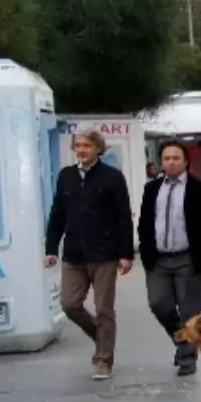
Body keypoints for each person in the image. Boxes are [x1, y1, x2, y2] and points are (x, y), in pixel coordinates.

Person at [44, 130, 134, 380]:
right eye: (78, 146)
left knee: (104, 308)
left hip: (104, 254)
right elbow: (57, 214)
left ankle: (103, 359)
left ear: (98, 148)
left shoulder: (112, 177)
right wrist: (51, 248)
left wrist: (125, 254)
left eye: (87, 145)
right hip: (74, 254)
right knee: (69, 304)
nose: (81, 150)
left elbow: (123, 217)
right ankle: (102, 335)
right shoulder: (66, 176)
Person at [138, 140, 201, 376]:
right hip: (159, 260)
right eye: (166, 158)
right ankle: (183, 339)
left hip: (189, 259)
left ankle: (187, 358)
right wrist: (146, 252)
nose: (171, 162)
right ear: (161, 162)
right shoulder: (152, 189)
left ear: (185, 161)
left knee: (189, 311)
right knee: (158, 303)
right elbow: (145, 224)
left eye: (176, 158)